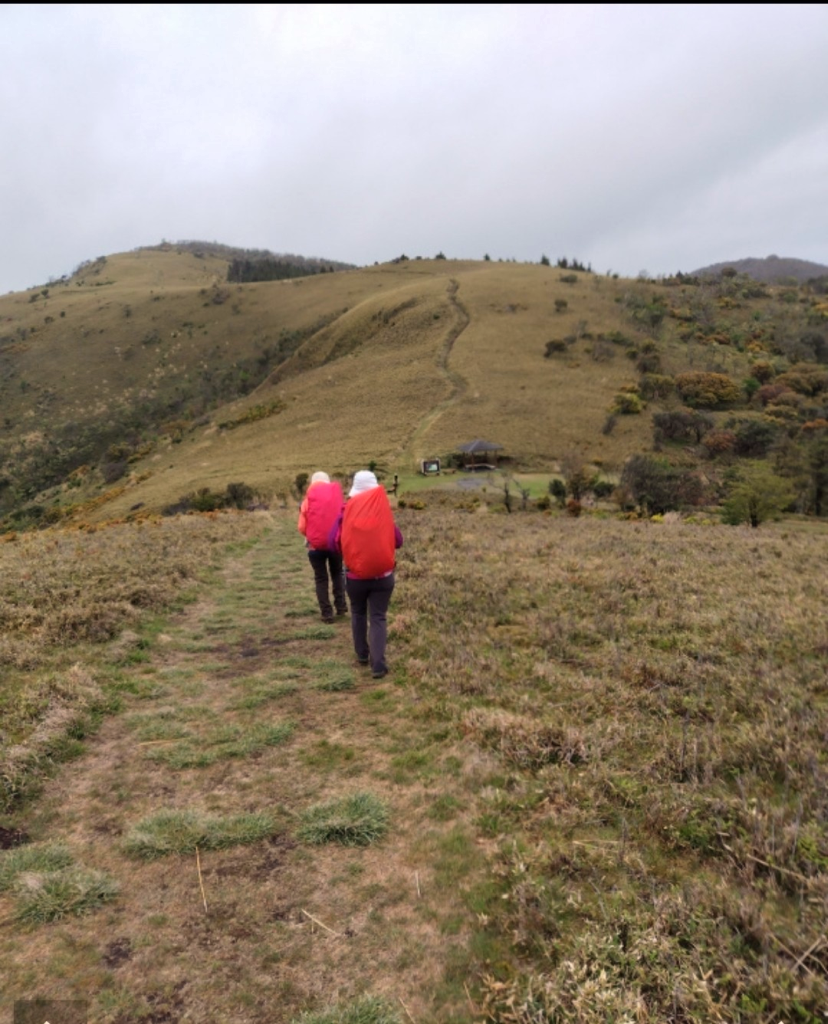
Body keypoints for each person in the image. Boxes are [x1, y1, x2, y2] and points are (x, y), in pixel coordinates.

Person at [330, 470, 403, 679]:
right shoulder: (384, 513)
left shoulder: (345, 513)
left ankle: (362, 655)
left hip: (355, 577)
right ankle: (378, 665)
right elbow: (398, 540)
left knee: (358, 612)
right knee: (378, 617)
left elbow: (334, 543)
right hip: (383, 576)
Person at [297, 471, 347, 623]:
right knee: (337, 573)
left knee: (321, 578)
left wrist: (311, 536)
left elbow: (301, 527)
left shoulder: (307, 501)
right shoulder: (337, 499)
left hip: (315, 547)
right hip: (335, 545)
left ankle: (326, 613)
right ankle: (341, 607)